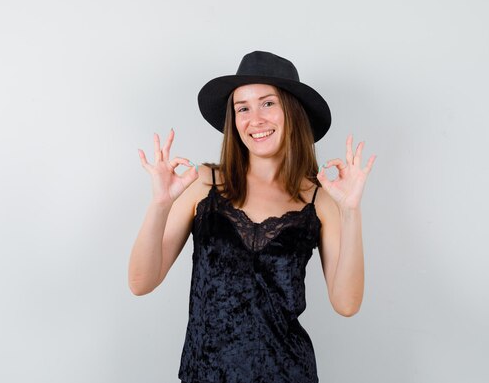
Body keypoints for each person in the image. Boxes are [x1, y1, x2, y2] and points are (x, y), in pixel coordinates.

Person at [128, 51, 376, 383]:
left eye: (267, 104)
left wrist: (350, 212)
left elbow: (347, 304)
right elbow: (141, 283)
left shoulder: (320, 199)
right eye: (243, 108)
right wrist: (159, 204)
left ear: (292, 112)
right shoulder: (204, 184)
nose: (255, 119)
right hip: (206, 374)